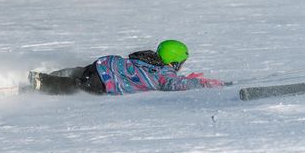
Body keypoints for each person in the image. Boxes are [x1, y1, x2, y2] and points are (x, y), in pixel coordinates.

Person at [29, 40, 224, 95]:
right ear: (174, 62)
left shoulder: (149, 59)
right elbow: (173, 84)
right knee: (76, 85)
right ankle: (41, 83)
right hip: (105, 82)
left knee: (80, 71)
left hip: (103, 64)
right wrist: (200, 83)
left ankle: (53, 74)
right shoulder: (163, 73)